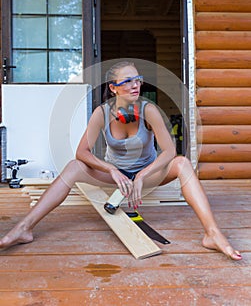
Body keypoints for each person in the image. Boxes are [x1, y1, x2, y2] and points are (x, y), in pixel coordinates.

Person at [0, 61, 242, 260]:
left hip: (147, 176)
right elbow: (81, 152)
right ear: (114, 88)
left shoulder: (149, 110)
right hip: (115, 178)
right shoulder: (101, 113)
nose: (135, 85)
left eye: (137, 79)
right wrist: (112, 170)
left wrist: (143, 175)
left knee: (182, 163)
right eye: (128, 81)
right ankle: (24, 228)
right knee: (74, 167)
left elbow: (169, 151)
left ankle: (212, 233)